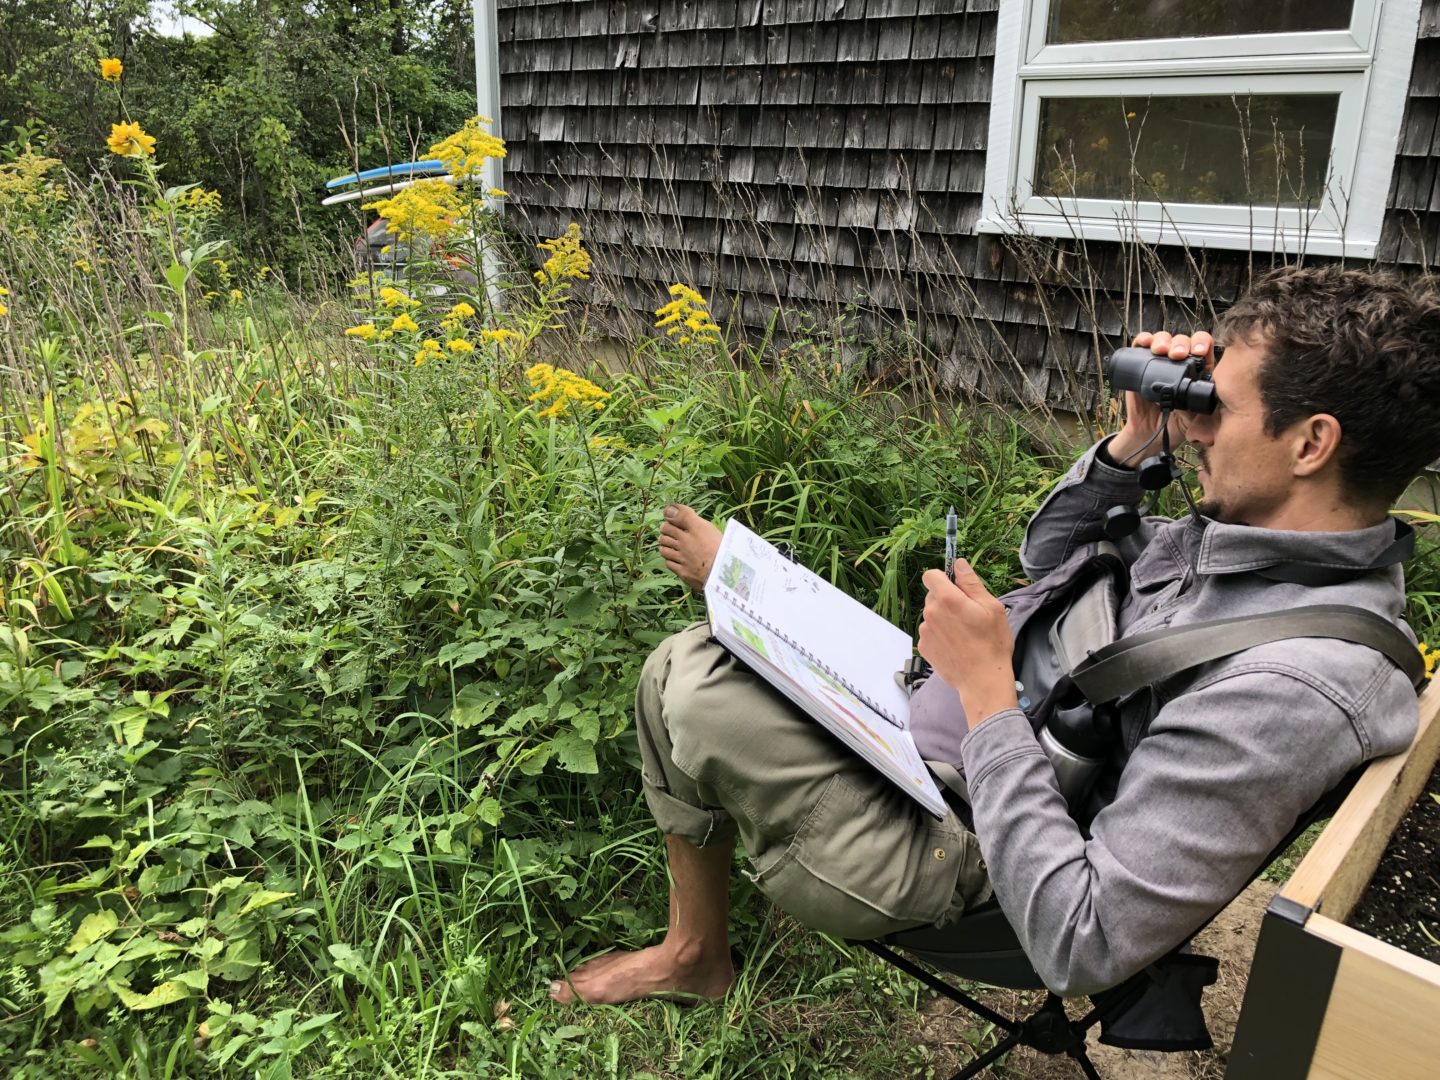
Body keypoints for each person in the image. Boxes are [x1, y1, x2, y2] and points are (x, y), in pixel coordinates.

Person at [548, 264, 1440, 1006]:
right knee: (718, 645)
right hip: (947, 745)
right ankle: (693, 949)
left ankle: (698, 946)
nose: (1198, 423)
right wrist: (1133, 448)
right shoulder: (1265, 543)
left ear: (1313, 442)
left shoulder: (1295, 685)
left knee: (689, 675)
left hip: (975, 860)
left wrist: (982, 692)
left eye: (1222, 405)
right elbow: (1048, 556)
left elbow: (1084, 938)